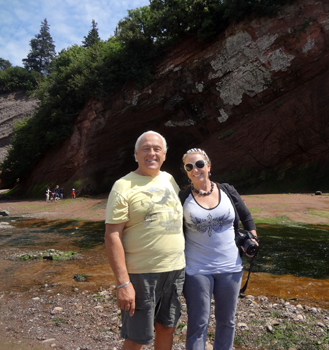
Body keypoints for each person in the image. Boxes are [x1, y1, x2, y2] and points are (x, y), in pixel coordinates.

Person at [104, 131, 185, 350]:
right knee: (137, 337)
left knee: (167, 328)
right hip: (141, 275)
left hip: (175, 270)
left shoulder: (169, 180)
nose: (152, 153)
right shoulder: (123, 186)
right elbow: (112, 235)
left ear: (165, 154)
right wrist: (123, 283)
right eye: (146, 149)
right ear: (136, 154)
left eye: (157, 149)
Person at [178, 148, 258, 350]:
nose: (195, 169)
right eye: (190, 167)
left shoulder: (227, 190)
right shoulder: (183, 197)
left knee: (227, 321)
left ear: (209, 166)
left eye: (199, 164)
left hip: (230, 268)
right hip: (196, 269)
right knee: (198, 323)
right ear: (186, 172)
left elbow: (247, 218)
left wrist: (253, 240)